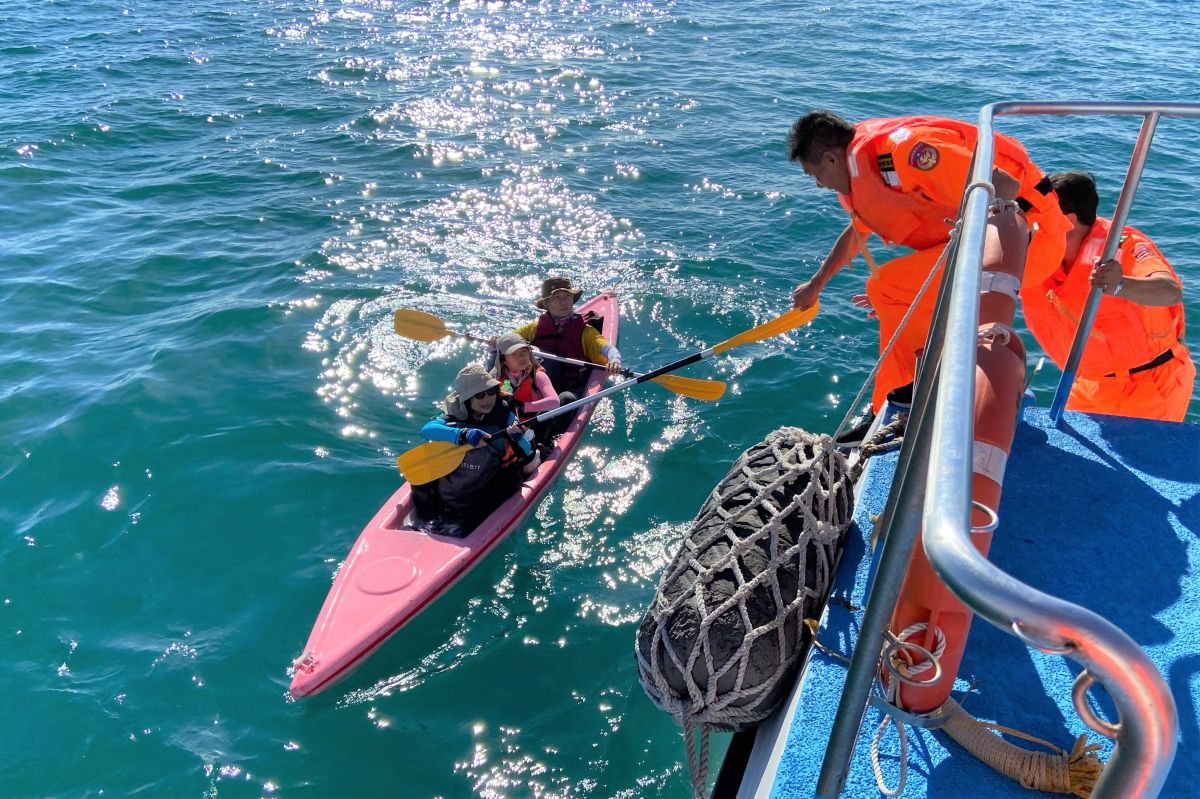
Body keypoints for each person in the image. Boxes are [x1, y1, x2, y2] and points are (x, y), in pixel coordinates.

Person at [786, 110, 1072, 417]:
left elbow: (1002, 184)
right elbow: (858, 230)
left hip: (1027, 242)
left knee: (888, 288)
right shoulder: (871, 168)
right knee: (889, 295)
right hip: (989, 242)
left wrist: (989, 276)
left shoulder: (910, 154)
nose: (819, 185)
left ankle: (926, 389)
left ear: (830, 159)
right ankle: (887, 407)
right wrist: (816, 285)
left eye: (814, 175)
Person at [1020, 171, 1194, 421]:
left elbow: (1170, 291)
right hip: (1087, 381)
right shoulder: (1035, 248)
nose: (1027, 224)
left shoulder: (1123, 245)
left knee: (1136, 459)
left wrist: (1120, 284)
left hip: (1147, 385)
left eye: (1035, 217)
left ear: (1066, 221)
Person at [411, 363, 535, 537]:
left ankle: (468, 526)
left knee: (505, 484)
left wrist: (517, 438)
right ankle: (427, 519)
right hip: (463, 474)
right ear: (467, 400)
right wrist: (462, 434)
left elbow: (527, 451)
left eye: (491, 391)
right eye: (479, 395)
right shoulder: (456, 415)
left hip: (495, 480)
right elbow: (427, 430)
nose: (487, 399)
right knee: (419, 480)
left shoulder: (505, 415)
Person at [511, 277, 622, 396]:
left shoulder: (585, 332)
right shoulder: (534, 328)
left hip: (566, 389)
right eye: (557, 297)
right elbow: (509, 340)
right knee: (503, 365)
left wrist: (614, 360)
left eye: (567, 296)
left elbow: (608, 349)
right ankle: (505, 395)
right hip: (534, 384)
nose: (564, 302)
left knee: (567, 398)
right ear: (546, 303)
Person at [494, 331, 563, 446]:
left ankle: (548, 444)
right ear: (504, 360)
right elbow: (507, 404)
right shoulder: (503, 380)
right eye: (513, 354)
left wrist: (523, 407)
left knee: (566, 398)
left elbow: (555, 402)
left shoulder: (537, 375)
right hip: (513, 428)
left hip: (536, 422)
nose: (521, 357)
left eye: (524, 351)